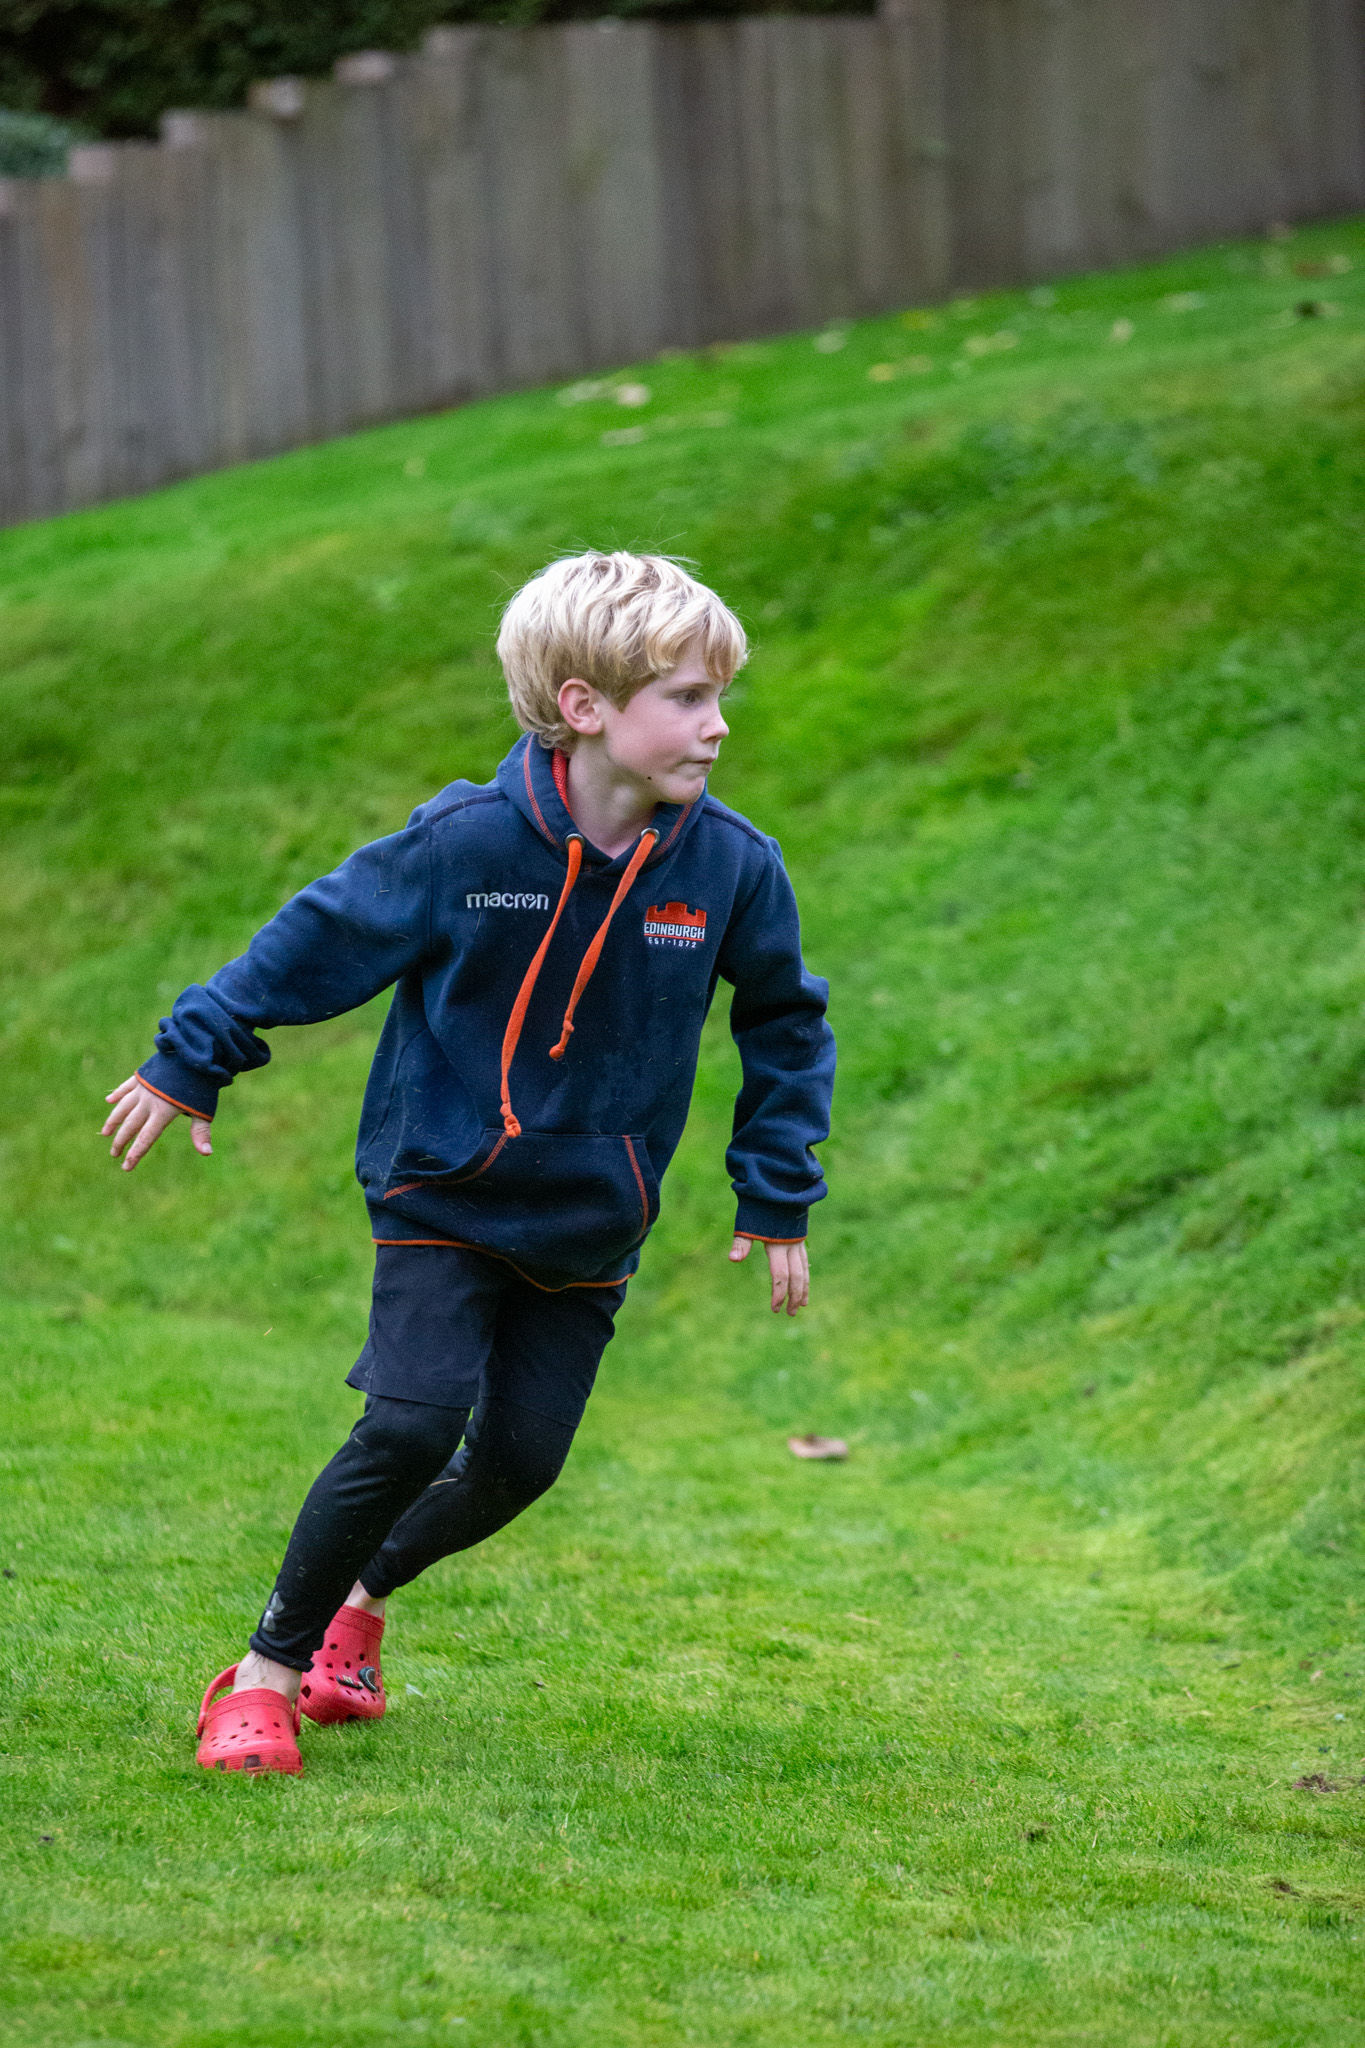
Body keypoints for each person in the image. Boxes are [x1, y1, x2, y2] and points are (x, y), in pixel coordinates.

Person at [102, 552, 836, 1775]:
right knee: (410, 1421)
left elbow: (786, 1022)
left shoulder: (732, 869)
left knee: (517, 1463)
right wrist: (194, 1056)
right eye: (689, 697)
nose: (717, 726)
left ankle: (362, 1606)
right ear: (584, 703)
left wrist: (777, 1186)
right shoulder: (467, 841)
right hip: (441, 1185)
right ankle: (266, 1672)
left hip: (594, 1215)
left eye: (721, 698)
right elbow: (317, 939)